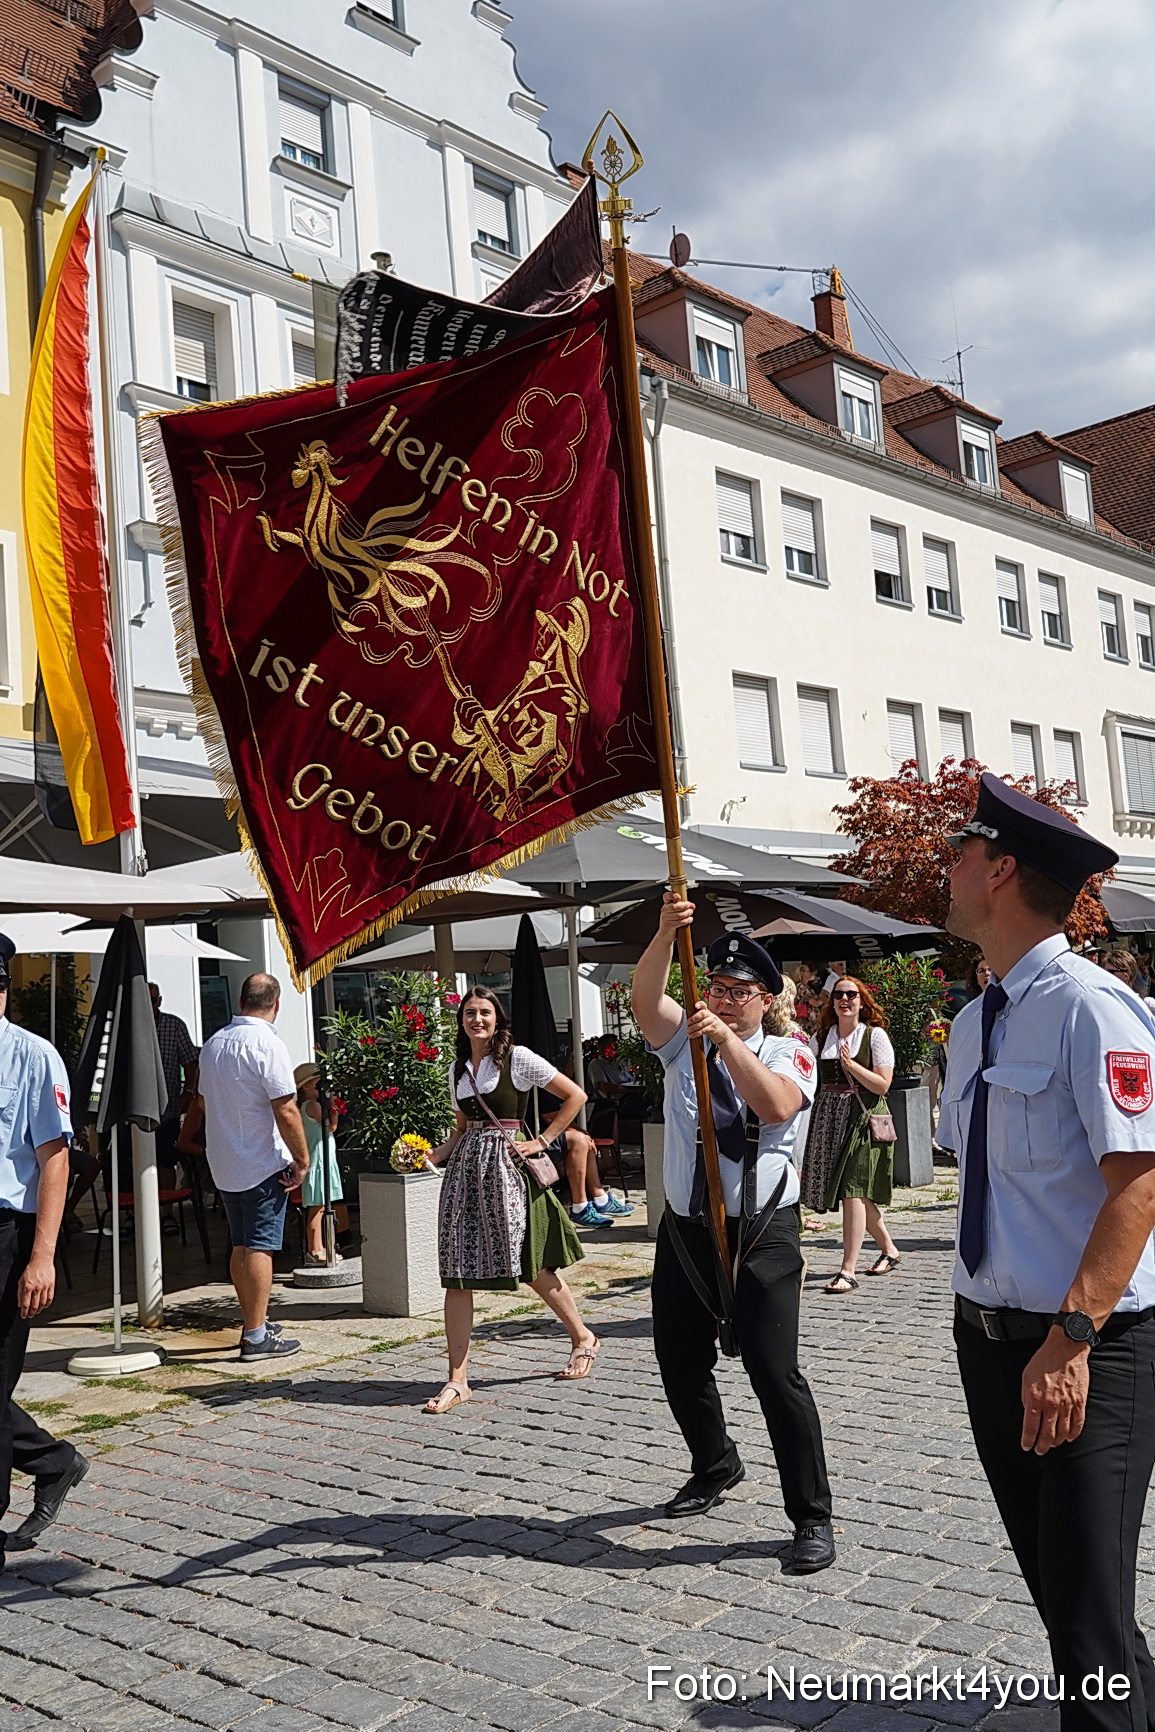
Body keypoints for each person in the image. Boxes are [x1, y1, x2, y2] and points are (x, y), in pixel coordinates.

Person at [939, 771, 1155, 1732]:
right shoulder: (971, 1022)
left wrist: (1070, 1337)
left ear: (1000, 870)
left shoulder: (1091, 1007)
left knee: (1084, 1617)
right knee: (1067, 1597)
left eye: (958, 854)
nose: (945, 869)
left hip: (1086, 1348)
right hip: (986, 1339)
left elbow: (1141, 1183)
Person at [631, 899, 835, 1573]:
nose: (721, 997)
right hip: (687, 1226)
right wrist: (664, 933)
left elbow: (773, 1105)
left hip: (761, 1231)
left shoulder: (790, 1049)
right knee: (677, 1359)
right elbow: (642, 998)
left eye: (737, 992)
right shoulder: (679, 1042)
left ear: (765, 999)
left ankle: (810, 1517)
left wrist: (722, 1040)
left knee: (775, 1375)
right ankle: (714, 1462)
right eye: (714, 987)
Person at [422, 987, 601, 1413]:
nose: (476, 1019)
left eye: (484, 1012)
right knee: (457, 1271)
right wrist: (430, 1154)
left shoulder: (517, 1058)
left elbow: (575, 1095)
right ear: (461, 1020)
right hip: (466, 1175)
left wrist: (542, 1140)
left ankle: (582, 1336)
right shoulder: (458, 1070)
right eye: (469, 1013)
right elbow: (462, 1128)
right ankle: (457, 1379)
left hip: (506, 1172)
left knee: (529, 1262)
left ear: (496, 1019)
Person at [0, 933, 89, 1554]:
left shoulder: (33, 1057)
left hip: (7, 1235)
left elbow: (54, 1162)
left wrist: (42, 1256)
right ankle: (53, 1461)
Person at [198, 973, 309, 1363]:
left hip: (225, 1159)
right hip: (261, 1160)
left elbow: (203, 1103)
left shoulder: (213, 1044)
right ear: (275, 1004)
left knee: (241, 1243)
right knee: (261, 1245)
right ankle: (257, 1335)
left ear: (241, 1001)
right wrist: (302, 1158)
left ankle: (252, 1323)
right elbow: (286, 1107)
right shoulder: (266, 1043)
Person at [801, 978, 899, 1291]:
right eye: (839, 994)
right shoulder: (820, 1037)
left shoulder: (874, 1036)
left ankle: (848, 1269)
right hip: (829, 1118)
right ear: (832, 1002)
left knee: (853, 1190)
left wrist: (851, 1066)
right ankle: (890, 1249)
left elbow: (883, 1085)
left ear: (861, 1001)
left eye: (851, 994)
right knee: (852, 1191)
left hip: (863, 1117)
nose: (845, 999)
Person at [148, 983, 199, 1234]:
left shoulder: (173, 1024)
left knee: (166, 1160)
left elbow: (190, 1062)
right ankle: (133, 1215)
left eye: (155, 1001)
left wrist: (188, 1092)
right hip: (133, 1112)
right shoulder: (125, 1025)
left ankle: (166, 1213)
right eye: (147, 1001)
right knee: (130, 1162)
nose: (152, 1006)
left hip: (166, 1106)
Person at [293, 1063, 349, 1263]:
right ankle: (314, 1248)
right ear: (307, 1086)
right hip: (318, 1161)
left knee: (321, 1206)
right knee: (317, 1207)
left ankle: (320, 1246)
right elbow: (331, 1126)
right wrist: (333, 1103)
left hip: (322, 1160)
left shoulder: (305, 1106)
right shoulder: (312, 1106)